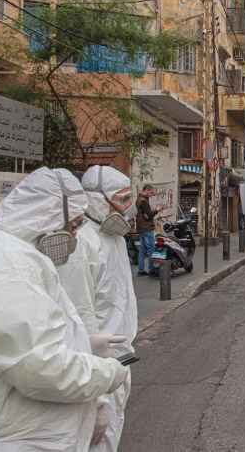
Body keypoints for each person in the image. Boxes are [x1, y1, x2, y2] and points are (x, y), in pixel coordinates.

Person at [0, 167, 129, 450]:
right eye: (74, 222)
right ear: (49, 214)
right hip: (5, 439)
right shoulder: (2, 265)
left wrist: (82, 343)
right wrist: (106, 375)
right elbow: (36, 365)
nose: (74, 233)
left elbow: (28, 333)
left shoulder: (14, 252)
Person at [82, 165, 139, 452]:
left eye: (130, 198)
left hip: (120, 362)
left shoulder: (114, 238)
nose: (128, 207)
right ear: (96, 199)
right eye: (122, 200)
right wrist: (97, 400)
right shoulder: (83, 243)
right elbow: (80, 321)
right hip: (99, 370)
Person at [135, 184, 159, 277]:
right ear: (147, 190)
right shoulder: (143, 201)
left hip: (141, 228)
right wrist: (157, 210)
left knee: (142, 250)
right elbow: (147, 216)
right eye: (151, 192)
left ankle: (141, 270)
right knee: (151, 249)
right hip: (146, 228)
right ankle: (151, 270)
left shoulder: (138, 200)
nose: (151, 194)